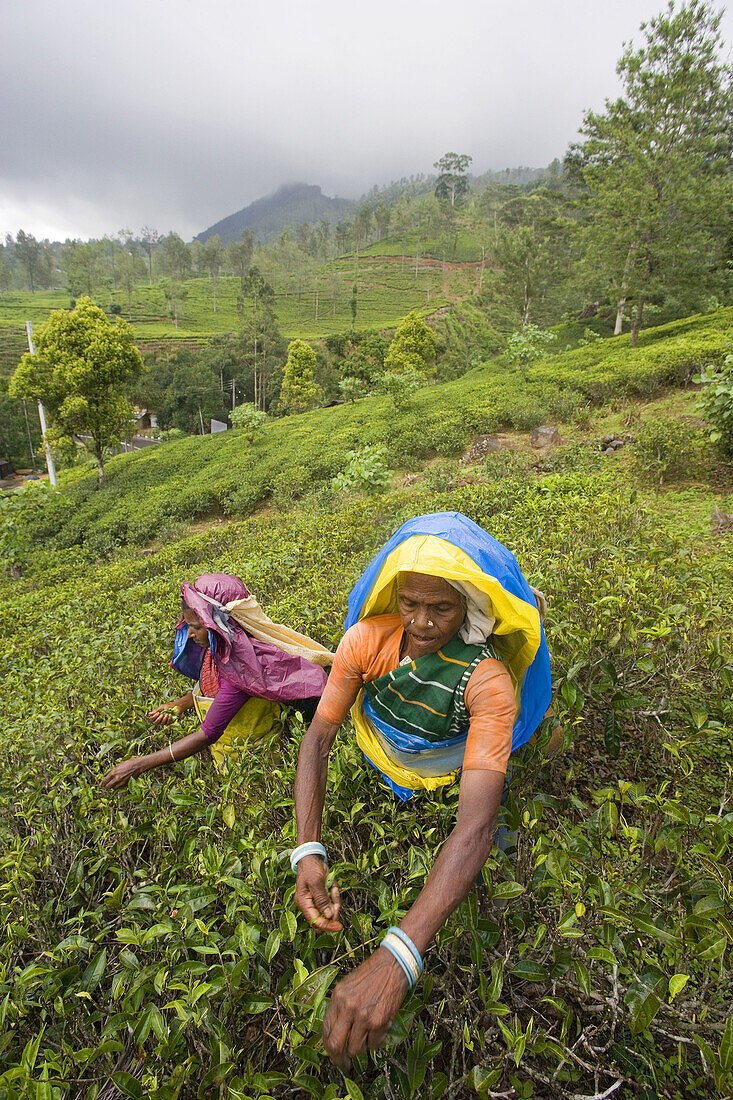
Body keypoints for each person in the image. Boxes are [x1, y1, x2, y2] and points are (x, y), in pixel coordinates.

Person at [291, 512, 552, 1069]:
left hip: (449, 767)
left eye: (442, 608)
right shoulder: (365, 641)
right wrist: (307, 850)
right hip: (389, 753)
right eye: (410, 604)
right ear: (394, 596)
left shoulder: (486, 681)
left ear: (468, 607)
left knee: (496, 842)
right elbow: (317, 740)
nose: (423, 622)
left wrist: (399, 956)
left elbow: (474, 824)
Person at [101, 573, 332, 790]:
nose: (189, 634)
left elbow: (207, 734)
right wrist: (181, 704)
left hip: (257, 763)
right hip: (229, 758)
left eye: (195, 627)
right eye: (188, 625)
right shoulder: (215, 650)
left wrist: (139, 764)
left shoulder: (242, 670)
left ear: (219, 627)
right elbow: (213, 690)